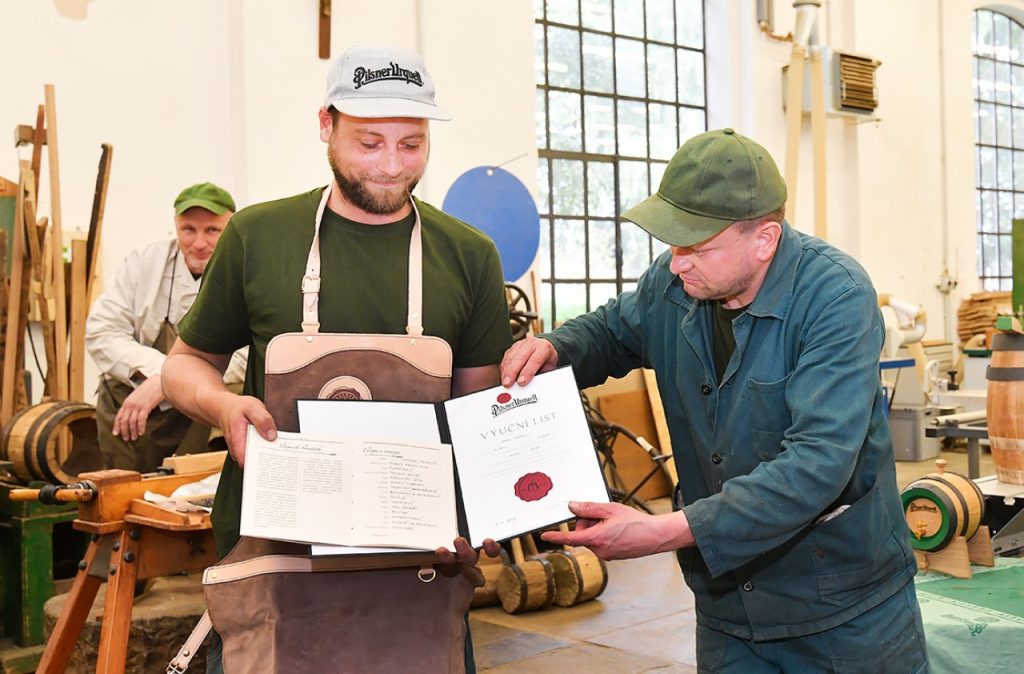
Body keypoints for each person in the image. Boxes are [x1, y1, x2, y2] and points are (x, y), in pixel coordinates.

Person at [501, 129, 928, 673]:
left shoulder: (835, 296)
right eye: (673, 244)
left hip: (844, 610)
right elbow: (612, 331)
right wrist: (554, 347)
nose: (677, 263)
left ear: (765, 239)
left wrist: (663, 531)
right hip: (728, 609)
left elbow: (817, 463)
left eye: (697, 247)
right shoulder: (676, 283)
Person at [161, 45, 512, 672]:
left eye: (411, 144)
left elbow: (479, 413)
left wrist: (488, 502)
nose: (391, 166)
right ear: (326, 125)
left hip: (417, 564)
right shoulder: (258, 237)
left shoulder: (469, 255)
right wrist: (221, 404)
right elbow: (184, 363)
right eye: (369, 142)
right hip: (275, 555)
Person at [86, 182, 245, 472]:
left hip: (200, 407)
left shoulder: (244, 267)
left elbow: (247, 355)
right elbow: (102, 333)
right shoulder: (143, 262)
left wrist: (168, 381)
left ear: (230, 226)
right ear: (175, 225)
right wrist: (158, 373)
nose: (199, 243)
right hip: (140, 404)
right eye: (188, 229)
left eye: (212, 230)